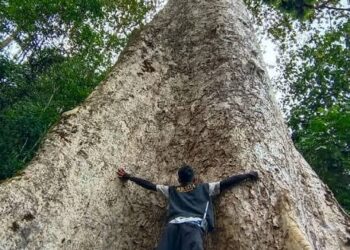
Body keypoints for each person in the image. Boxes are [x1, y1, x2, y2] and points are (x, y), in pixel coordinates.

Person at [117, 164, 259, 250]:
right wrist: (247, 175)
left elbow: (149, 185)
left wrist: (129, 176)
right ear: (195, 179)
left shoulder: (172, 190)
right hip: (192, 228)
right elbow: (227, 182)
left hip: (172, 228)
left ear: (179, 180)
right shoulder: (205, 188)